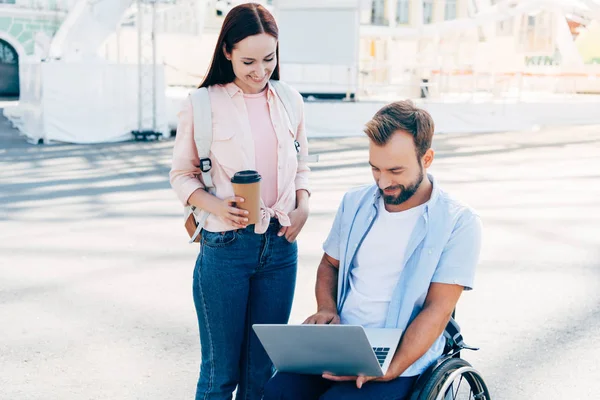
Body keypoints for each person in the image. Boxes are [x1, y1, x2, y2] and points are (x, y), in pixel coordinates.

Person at [263, 100, 482, 400]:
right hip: (343, 341)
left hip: (403, 352)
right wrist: (326, 308)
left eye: (395, 170)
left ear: (427, 158)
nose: (383, 182)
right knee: (277, 393)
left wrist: (391, 367)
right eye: (375, 169)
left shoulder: (458, 222)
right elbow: (329, 265)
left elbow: (438, 309)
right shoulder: (355, 203)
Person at [169, 4, 310, 400]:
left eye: (269, 58)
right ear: (227, 51)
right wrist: (217, 206)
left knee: (262, 375)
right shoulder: (201, 103)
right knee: (220, 376)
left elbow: (303, 165)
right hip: (226, 247)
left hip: (281, 246)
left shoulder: (290, 100)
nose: (260, 70)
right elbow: (182, 175)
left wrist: (304, 204)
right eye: (248, 60)